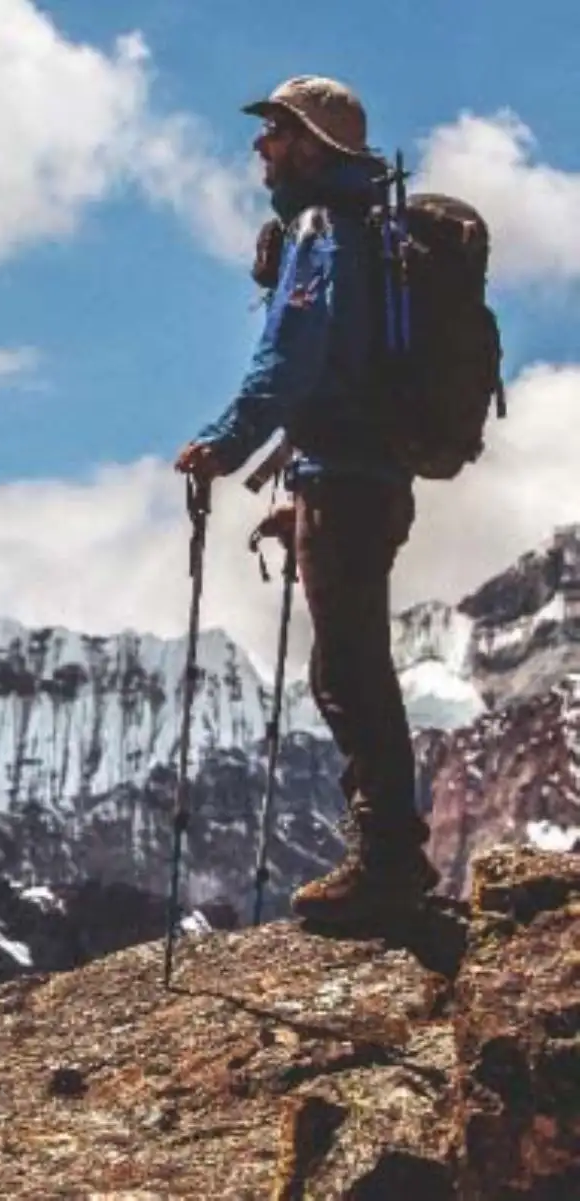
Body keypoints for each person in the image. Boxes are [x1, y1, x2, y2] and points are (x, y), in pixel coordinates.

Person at [173, 75, 438, 926]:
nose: (263, 146)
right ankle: (391, 855)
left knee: (350, 669)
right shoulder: (358, 231)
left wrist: (224, 442)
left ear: (315, 147)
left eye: (278, 132)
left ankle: (390, 863)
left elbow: (290, 360)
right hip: (360, 478)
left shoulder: (323, 232)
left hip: (348, 481)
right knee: (349, 662)